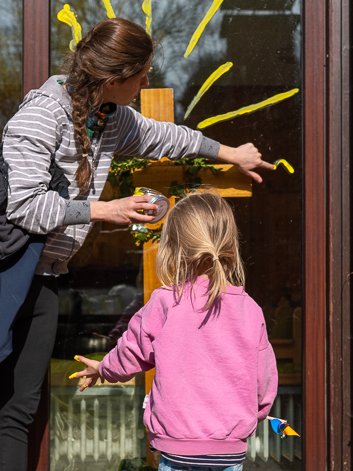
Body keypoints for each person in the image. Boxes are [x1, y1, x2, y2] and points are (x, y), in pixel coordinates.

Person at [0, 17, 273, 470]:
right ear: (114, 78)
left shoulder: (109, 119)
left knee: (19, 409)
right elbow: (23, 206)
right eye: (142, 74)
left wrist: (230, 154)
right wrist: (106, 209)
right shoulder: (39, 117)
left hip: (43, 280)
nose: (148, 82)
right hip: (9, 275)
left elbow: (167, 136)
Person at [72, 192, 278, 471]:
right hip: (230, 446)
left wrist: (103, 368)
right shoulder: (250, 309)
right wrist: (258, 412)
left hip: (176, 445)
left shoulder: (166, 302)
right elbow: (263, 378)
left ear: (175, 248)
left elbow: (131, 351)